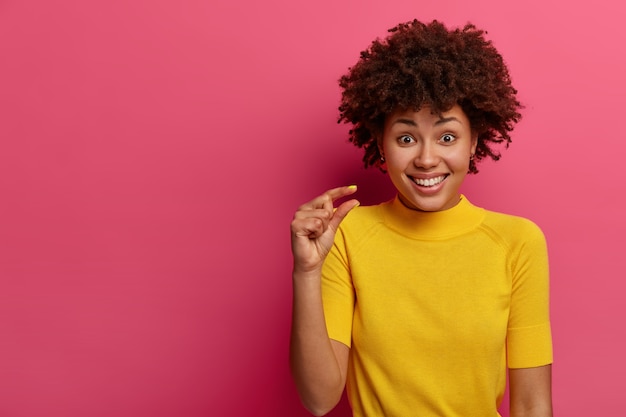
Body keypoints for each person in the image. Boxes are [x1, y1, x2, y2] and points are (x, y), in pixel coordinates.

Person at [289, 19, 553, 417]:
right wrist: (306, 273)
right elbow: (320, 399)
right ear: (381, 144)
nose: (427, 159)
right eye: (406, 138)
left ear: (474, 142)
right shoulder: (346, 235)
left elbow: (533, 404)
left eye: (447, 137)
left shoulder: (518, 241)